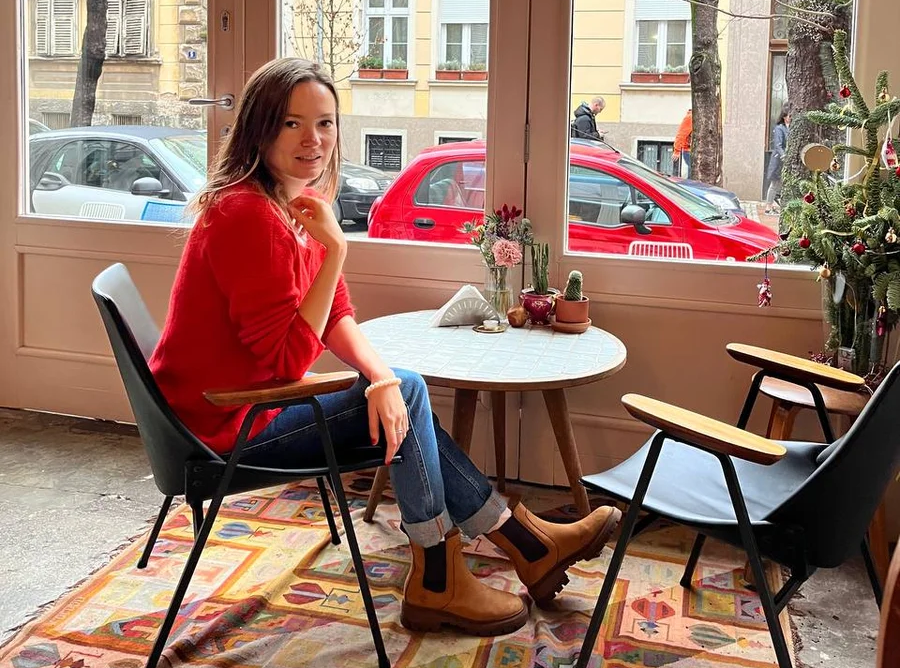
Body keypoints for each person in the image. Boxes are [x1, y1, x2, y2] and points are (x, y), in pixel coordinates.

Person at [150, 57, 620, 637]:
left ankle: (512, 548)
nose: (313, 140)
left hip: (243, 405)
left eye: (325, 123)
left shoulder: (285, 206)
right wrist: (338, 252)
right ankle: (458, 568)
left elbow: (336, 316)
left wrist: (381, 379)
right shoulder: (247, 216)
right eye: (292, 123)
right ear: (258, 128)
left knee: (403, 392)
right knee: (412, 395)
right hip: (223, 424)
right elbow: (286, 362)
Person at [764, 103, 791, 210]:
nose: (790, 118)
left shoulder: (791, 128)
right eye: (789, 116)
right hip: (778, 161)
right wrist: (784, 156)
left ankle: (780, 204)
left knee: (782, 184)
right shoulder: (780, 128)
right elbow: (778, 144)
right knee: (774, 184)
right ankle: (768, 207)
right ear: (784, 116)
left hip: (786, 160)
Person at [673, 108, 692, 177]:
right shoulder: (690, 117)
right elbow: (681, 134)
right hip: (689, 151)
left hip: (691, 151)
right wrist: (677, 150)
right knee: (692, 174)